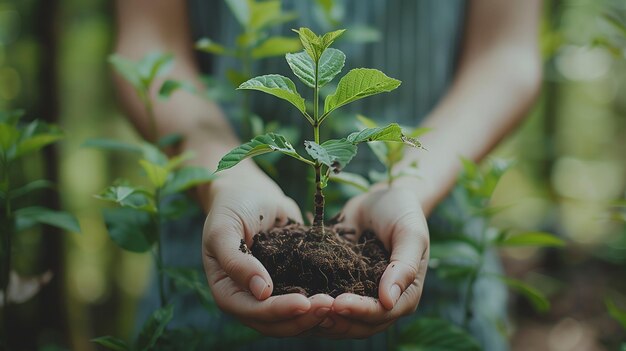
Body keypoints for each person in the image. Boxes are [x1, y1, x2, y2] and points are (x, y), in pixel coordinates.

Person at [112, 0, 542, 349]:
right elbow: (148, 43)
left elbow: (507, 55)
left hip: (432, 246)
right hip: (216, 247)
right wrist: (227, 175)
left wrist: (409, 183)